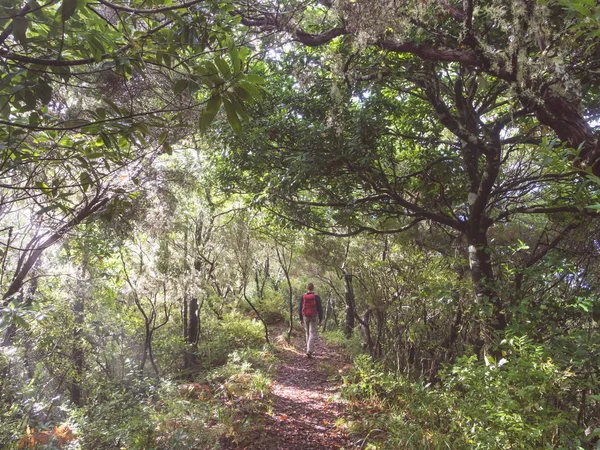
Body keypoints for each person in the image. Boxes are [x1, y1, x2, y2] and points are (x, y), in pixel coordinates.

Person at [298, 282, 323, 358]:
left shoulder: (303, 297)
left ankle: (308, 350)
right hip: (314, 316)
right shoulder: (316, 297)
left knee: (307, 332)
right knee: (312, 333)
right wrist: (320, 320)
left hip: (305, 316)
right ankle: (309, 350)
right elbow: (320, 309)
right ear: (313, 288)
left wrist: (301, 319)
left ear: (307, 288)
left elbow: (300, 308)